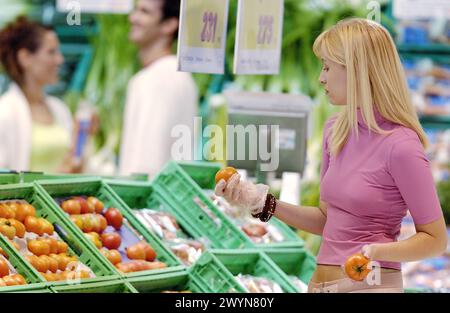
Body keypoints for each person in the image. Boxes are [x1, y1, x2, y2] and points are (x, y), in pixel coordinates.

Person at [215, 18, 447, 293]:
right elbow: (327, 220)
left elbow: (435, 239)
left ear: (357, 71)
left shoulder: (402, 146)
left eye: (327, 67)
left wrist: (378, 251)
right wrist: (261, 201)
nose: (321, 78)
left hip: (370, 286)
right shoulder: (335, 130)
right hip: (318, 284)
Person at [119, 0, 198, 178]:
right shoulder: (179, 75)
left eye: (145, 12)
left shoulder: (156, 79)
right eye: (135, 10)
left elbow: (145, 160)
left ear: (169, 24)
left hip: (146, 198)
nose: (133, 18)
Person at [0, 16, 77, 173]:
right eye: (51, 52)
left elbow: (74, 164)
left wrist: (82, 136)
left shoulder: (59, 108)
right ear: (25, 58)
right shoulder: (5, 112)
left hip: (63, 198)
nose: (60, 60)